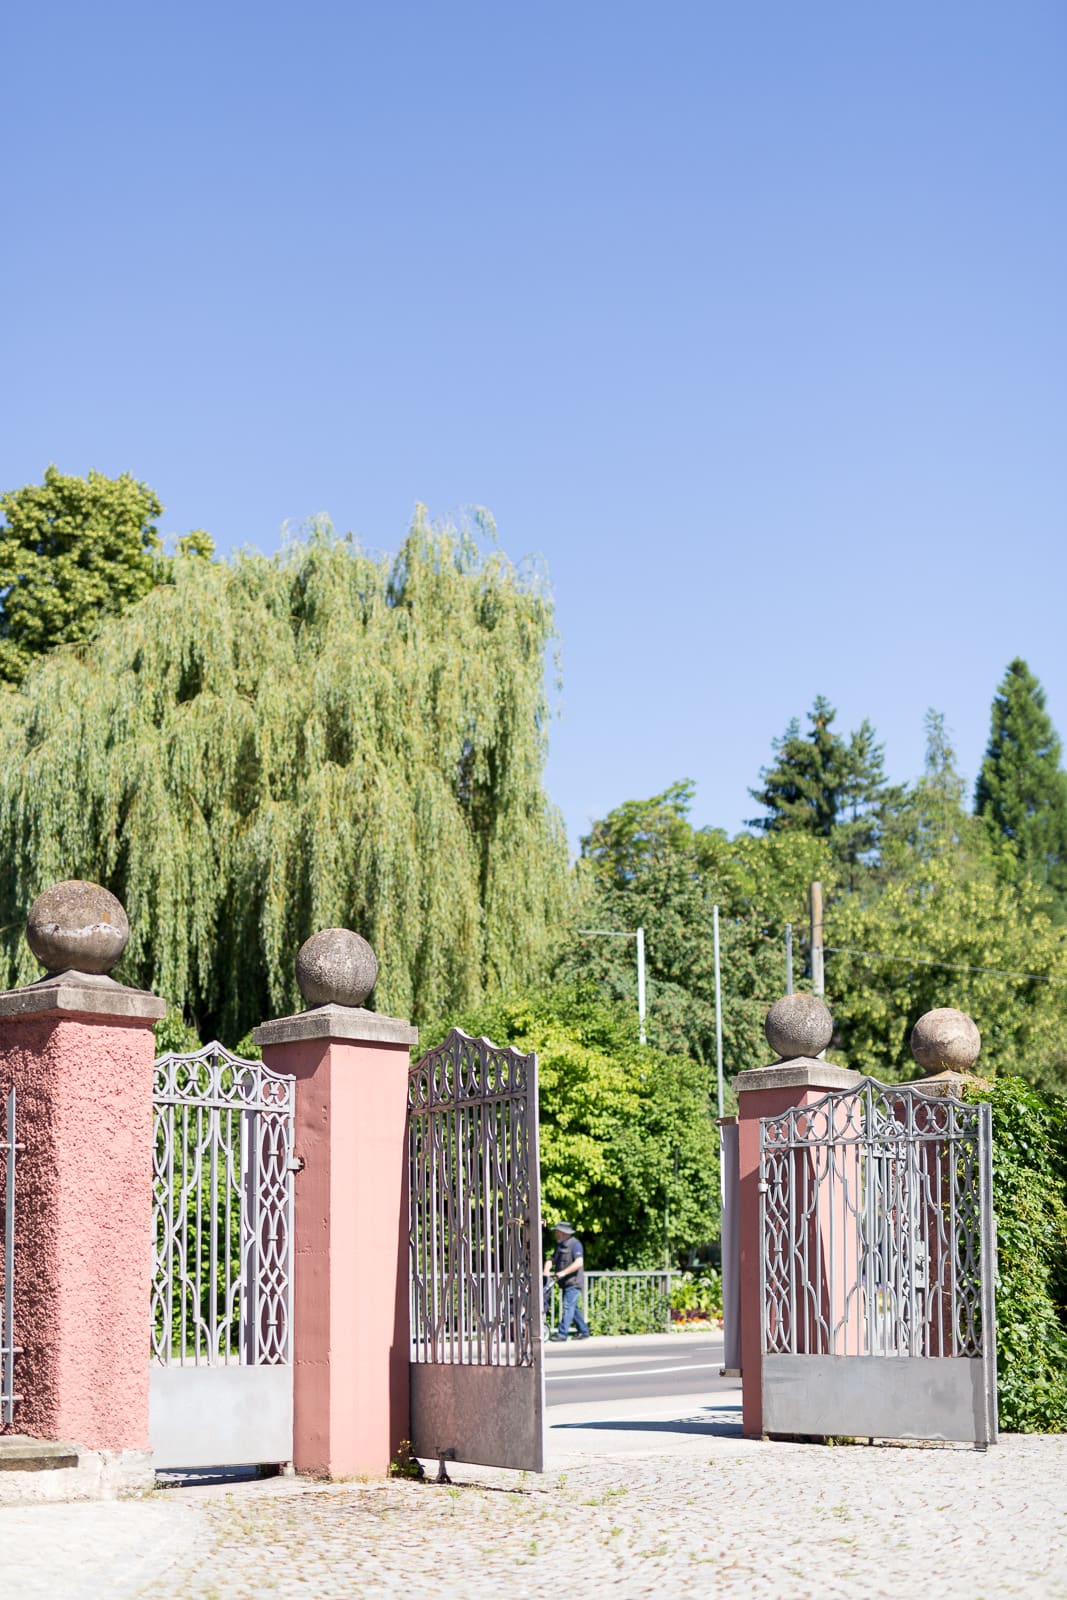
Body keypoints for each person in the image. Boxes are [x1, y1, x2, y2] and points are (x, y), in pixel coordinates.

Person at [548, 1221, 591, 1341]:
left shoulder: (575, 1244)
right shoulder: (560, 1245)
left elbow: (579, 1263)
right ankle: (584, 1331)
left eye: (557, 1231)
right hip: (565, 1283)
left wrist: (563, 1272)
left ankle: (562, 1334)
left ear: (564, 1233)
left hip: (574, 1282)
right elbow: (552, 1258)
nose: (556, 1233)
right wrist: (547, 1268)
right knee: (573, 1308)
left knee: (568, 1307)